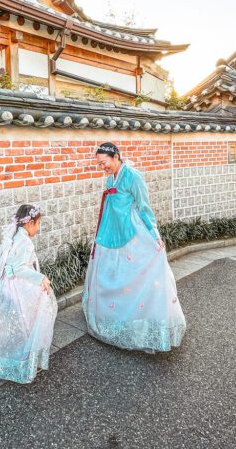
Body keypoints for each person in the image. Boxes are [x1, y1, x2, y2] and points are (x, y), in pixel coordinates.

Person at [83, 142, 186, 353]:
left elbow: (144, 207)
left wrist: (155, 235)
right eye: (99, 164)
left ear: (115, 157)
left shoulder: (133, 176)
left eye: (104, 163)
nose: (102, 167)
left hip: (130, 233)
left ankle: (136, 321)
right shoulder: (110, 177)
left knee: (133, 277)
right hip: (109, 232)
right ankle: (112, 316)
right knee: (111, 276)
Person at [0, 204, 57, 384]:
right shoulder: (25, 242)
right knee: (25, 323)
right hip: (16, 287)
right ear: (30, 223)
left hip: (5, 286)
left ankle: (1, 362)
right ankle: (19, 363)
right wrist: (40, 278)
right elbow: (19, 269)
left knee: (7, 327)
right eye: (38, 224)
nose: (38, 228)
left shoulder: (13, 236)